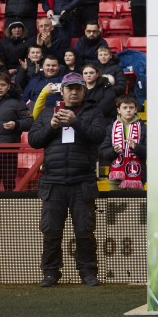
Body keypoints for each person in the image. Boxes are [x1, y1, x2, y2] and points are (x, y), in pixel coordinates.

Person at [28, 72, 109, 287]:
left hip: (82, 181)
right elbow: (33, 140)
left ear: (84, 91)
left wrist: (76, 122)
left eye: (78, 88)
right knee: (51, 230)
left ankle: (88, 271)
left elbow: (99, 136)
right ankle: (51, 272)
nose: (74, 92)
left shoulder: (93, 112)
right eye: (69, 88)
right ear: (61, 92)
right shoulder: (46, 113)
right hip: (53, 182)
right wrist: (52, 127)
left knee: (84, 230)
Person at [0, 72, 33, 192]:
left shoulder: (17, 102)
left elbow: (30, 122)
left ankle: (11, 210)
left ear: (9, 86)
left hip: (9, 151)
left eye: (3, 85)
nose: (0, 88)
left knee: (9, 184)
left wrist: (16, 124)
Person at [99, 95, 147, 189]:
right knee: (116, 203)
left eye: (131, 107)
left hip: (137, 177)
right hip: (116, 178)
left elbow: (150, 153)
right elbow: (102, 153)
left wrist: (136, 147)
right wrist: (113, 151)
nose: (128, 110)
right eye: (125, 107)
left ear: (136, 110)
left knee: (136, 203)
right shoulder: (110, 128)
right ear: (119, 110)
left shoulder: (144, 128)